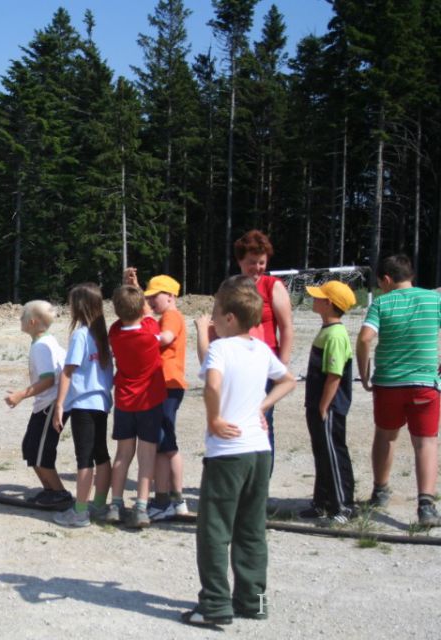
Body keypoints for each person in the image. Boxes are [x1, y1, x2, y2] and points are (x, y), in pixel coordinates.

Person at [181, 276, 295, 628]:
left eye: (215, 312)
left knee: (214, 529)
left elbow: (211, 385)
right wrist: (261, 407)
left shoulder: (220, 348)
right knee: (251, 528)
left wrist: (214, 419)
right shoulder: (261, 349)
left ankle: (215, 604)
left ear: (230, 318)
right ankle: (254, 601)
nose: (211, 318)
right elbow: (289, 380)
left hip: (228, 451)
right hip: (260, 452)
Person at [356, 254, 441, 527]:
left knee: (386, 436)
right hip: (425, 384)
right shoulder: (434, 299)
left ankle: (380, 491)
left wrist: (364, 373)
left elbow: (365, 338)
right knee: (425, 442)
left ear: (387, 280)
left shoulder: (381, 303)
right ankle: (426, 505)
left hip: (388, 383)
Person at [126, 270, 189, 522]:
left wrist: (143, 337)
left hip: (167, 385)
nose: (151, 301)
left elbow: (165, 337)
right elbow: (149, 315)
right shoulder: (167, 314)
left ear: (171, 295)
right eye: (148, 296)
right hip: (168, 385)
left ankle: (164, 501)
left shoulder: (171, 316)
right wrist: (137, 289)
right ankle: (177, 500)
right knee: (168, 443)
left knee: (164, 445)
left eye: (155, 296)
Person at [50, 283, 114, 528]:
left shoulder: (80, 335)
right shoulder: (103, 335)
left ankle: (80, 512)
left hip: (83, 405)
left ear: (78, 306)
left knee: (84, 458)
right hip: (102, 403)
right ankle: (98, 504)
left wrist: (59, 405)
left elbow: (68, 372)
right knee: (101, 453)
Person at [106, 284, 166, 528]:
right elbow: (149, 316)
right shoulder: (150, 330)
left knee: (123, 454)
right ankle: (141, 506)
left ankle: (115, 504)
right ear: (143, 307)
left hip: (124, 401)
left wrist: (129, 285)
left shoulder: (115, 331)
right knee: (147, 455)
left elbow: (134, 313)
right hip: (149, 400)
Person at [234, 230, 294, 468]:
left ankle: (261, 486)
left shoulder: (273, 286)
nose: (257, 267)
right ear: (240, 261)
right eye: (252, 263)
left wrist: (282, 366)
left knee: (262, 421)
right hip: (237, 366)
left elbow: (287, 328)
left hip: (265, 366)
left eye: (261, 262)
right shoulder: (232, 287)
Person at [4, 300, 71, 507]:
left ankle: (60, 493)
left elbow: (48, 379)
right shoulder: (45, 341)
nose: (20, 319)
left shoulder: (41, 346)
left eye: (22, 316)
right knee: (31, 448)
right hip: (45, 404)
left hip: (51, 404)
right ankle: (49, 490)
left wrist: (20, 395)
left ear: (32, 322)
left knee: (41, 452)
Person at [301, 280, 357, 523]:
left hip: (329, 407)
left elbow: (334, 375)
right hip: (317, 404)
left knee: (334, 452)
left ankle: (344, 505)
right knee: (321, 451)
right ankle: (322, 502)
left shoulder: (336, 335)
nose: (314, 299)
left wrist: (324, 406)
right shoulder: (327, 330)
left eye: (319, 297)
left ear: (329, 304)